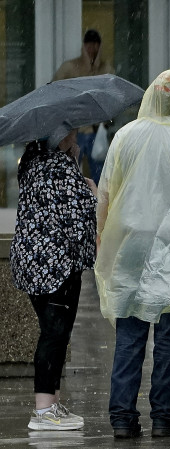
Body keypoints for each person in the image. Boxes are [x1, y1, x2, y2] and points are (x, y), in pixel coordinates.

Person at [95, 69, 170, 439]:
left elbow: (105, 193)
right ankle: (164, 417)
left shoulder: (126, 137)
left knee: (130, 333)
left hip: (130, 246)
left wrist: (102, 239)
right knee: (168, 336)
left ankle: (122, 418)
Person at [9, 128, 96, 431]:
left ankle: (51, 404)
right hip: (55, 264)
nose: (75, 133)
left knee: (53, 333)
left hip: (32, 260)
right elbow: (77, 219)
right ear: (59, 135)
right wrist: (90, 191)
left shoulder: (32, 160)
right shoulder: (57, 166)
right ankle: (44, 411)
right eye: (70, 130)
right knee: (54, 334)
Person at [52, 29, 113, 183]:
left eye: (95, 44)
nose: (91, 48)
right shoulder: (71, 67)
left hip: (95, 130)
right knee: (71, 173)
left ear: (99, 46)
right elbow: (54, 88)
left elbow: (111, 96)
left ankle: (99, 203)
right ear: (84, 46)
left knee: (99, 174)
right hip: (74, 130)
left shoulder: (105, 69)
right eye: (88, 44)